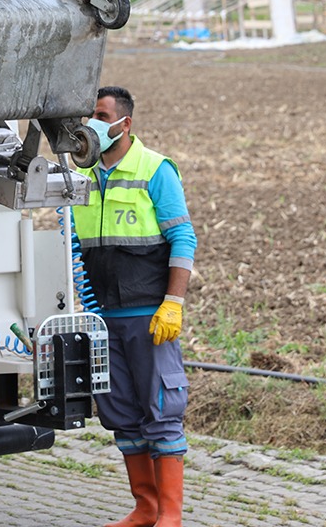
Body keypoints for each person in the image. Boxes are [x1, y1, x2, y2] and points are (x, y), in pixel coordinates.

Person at [72, 86, 196, 527]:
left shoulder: (155, 169)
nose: (93, 124)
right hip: (104, 318)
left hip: (149, 317)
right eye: (90, 115)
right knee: (121, 413)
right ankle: (145, 508)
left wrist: (173, 304)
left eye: (102, 115)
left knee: (161, 412)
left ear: (124, 124)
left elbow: (184, 238)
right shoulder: (83, 179)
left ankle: (171, 515)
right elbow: (72, 245)